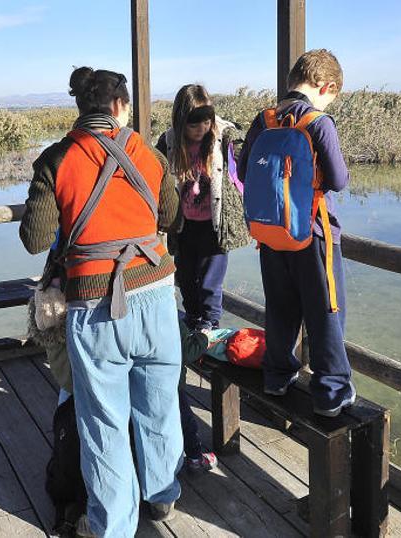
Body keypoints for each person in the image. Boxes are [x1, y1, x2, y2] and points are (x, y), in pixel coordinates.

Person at [19, 66, 182, 537]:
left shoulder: (57, 158)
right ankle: (163, 496)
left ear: (81, 108)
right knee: (159, 403)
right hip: (155, 294)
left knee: (104, 422)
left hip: (94, 308)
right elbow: (170, 216)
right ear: (121, 107)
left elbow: (35, 239)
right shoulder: (149, 155)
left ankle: (111, 527)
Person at [237, 49, 356, 417]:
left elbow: (243, 171)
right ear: (327, 86)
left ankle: (277, 375)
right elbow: (338, 180)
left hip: (271, 233)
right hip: (313, 232)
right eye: (332, 94)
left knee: (281, 306)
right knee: (325, 310)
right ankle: (331, 391)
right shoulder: (318, 122)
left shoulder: (265, 119)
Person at [155, 84, 250, 472]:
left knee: (211, 281)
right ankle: (196, 322)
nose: (201, 128)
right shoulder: (168, 142)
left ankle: (208, 327)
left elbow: (244, 156)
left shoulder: (223, 136)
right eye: (194, 123)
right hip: (184, 224)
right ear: (181, 120)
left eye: (205, 120)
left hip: (214, 223)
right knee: (185, 281)